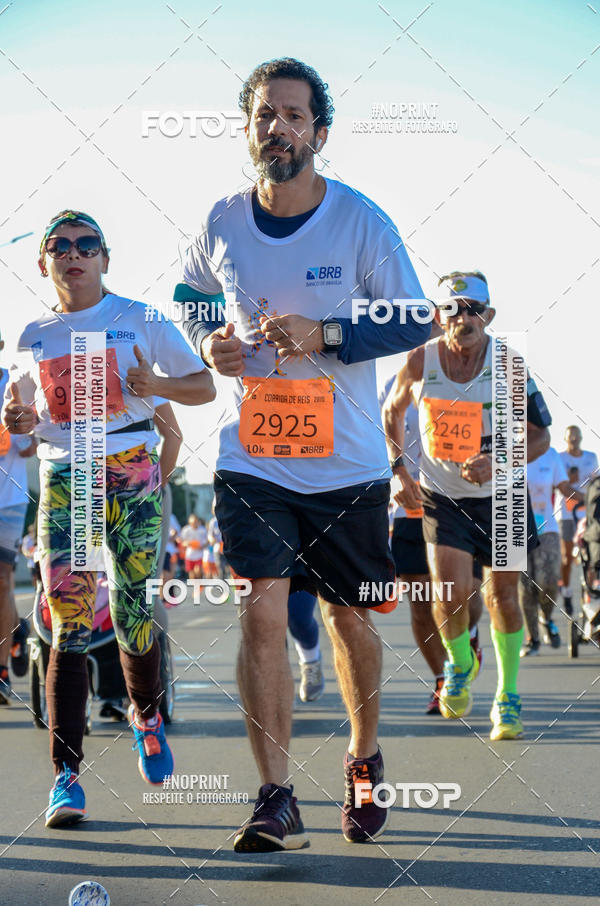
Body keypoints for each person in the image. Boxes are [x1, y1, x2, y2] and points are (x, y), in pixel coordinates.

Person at [174, 57, 430, 849]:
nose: (276, 127)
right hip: (253, 458)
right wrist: (206, 341)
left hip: (347, 464)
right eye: (263, 115)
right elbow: (190, 296)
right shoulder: (221, 220)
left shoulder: (360, 221)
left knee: (349, 617)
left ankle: (362, 759)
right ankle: (276, 794)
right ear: (249, 129)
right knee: (259, 611)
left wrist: (330, 335)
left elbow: (414, 317)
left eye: (292, 115)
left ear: (319, 132)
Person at [2, 209, 214, 827]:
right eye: (60, 246)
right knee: (66, 621)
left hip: (129, 468)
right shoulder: (31, 332)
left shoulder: (139, 317)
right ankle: (66, 777)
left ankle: (146, 715)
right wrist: (17, 423)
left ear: (105, 258)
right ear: (44, 262)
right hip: (67, 476)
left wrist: (158, 385)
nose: (74, 254)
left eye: (86, 244)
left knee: (130, 608)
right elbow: (22, 418)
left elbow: (204, 386)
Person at [384, 271, 552, 740]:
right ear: (440, 317)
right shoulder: (421, 361)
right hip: (446, 497)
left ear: (489, 316)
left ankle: (507, 698)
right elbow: (392, 409)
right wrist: (399, 469)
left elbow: (540, 435)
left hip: (504, 496)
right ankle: (460, 663)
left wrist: (499, 460)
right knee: (450, 595)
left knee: (501, 597)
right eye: (454, 308)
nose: (464, 317)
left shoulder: (509, 366)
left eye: (473, 308)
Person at [381, 315, 483, 715]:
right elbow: (378, 438)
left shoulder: (477, 380)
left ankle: (469, 633)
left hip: (463, 503)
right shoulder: (393, 384)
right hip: (411, 509)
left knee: (465, 595)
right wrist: (395, 475)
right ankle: (443, 677)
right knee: (423, 603)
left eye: (433, 334)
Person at [0, 342, 37, 704]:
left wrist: (20, 424)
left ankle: (0, 672)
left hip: (6, 499)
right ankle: (17, 628)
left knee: (2, 579)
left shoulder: (11, 387)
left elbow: (28, 448)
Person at [520, 445, 579, 656]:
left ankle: (546, 617)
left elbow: (564, 488)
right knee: (525, 588)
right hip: (515, 530)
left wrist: (590, 499)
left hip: (546, 527)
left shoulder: (550, 454)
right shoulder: (505, 450)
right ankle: (532, 639)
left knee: (549, 582)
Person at [555, 427, 598, 614]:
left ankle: (589, 592)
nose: (573, 439)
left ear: (580, 438)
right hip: (567, 513)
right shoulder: (560, 458)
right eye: (570, 436)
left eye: (576, 435)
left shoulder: (591, 457)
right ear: (565, 439)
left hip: (588, 515)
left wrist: (591, 501)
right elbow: (561, 485)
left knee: (589, 555)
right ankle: (566, 589)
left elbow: (596, 483)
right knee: (567, 557)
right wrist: (582, 497)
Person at [181, 514, 206, 580]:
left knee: (198, 572)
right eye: (192, 523)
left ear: (198, 522)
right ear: (190, 523)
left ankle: (199, 585)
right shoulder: (186, 530)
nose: (194, 524)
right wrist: (188, 544)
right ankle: (195, 589)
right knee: (192, 575)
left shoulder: (202, 530)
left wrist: (202, 546)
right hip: (189, 555)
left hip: (199, 555)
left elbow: (207, 541)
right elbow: (182, 542)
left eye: (195, 522)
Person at [21, 523, 38, 588]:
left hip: (39, 562)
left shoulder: (39, 537)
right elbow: (24, 550)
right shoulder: (27, 539)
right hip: (31, 563)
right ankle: (36, 590)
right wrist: (30, 555)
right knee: (34, 578)